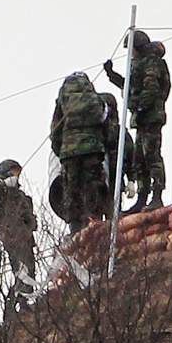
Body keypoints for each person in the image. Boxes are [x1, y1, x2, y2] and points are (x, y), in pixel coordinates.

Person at [103, 31, 171, 212]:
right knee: (139, 160)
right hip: (141, 119)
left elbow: (151, 88)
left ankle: (157, 195)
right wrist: (112, 75)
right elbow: (131, 86)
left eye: (132, 49)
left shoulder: (151, 63)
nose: (131, 53)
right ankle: (142, 198)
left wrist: (140, 106)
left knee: (151, 155)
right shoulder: (139, 63)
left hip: (150, 117)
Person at [51, 72, 108, 234]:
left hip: (69, 152)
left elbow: (56, 129)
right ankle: (94, 221)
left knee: (72, 189)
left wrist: (60, 150)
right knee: (93, 184)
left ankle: (75, 227)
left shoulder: (63, 100)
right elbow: (104, 124)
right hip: (92, 149)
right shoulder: (95, 99)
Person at [0, 159, 37, 317]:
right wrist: (5, 184)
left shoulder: (17, 193)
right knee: (22, 268)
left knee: (28, 268)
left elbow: (26, 214)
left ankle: (20, 302)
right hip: (12, 235)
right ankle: (22, 303)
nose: (17, 176)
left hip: (23, 235)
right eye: (15, 171)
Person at [99, 92, 137, 218]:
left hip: (114, 183)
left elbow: (131, 156)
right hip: (97, 184)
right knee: (94, 227)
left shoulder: (120, 133)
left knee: (112, 221)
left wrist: (131, 180)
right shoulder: (94, 133)